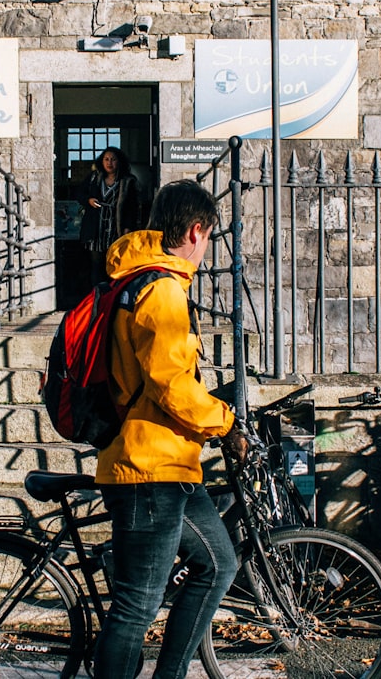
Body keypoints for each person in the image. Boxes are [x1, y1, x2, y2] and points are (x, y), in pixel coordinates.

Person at [92, 179, 249, 679]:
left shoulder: (146, 281)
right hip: (149, 468)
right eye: (210, 237)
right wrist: (225, 422)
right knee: (137, 605)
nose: (207, 249)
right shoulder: (160, 290)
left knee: (218, 565)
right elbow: (171, 385)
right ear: (197, 231)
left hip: (171, 464)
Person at [79, 146, 144, 283]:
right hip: (96, 231)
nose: (109, 163)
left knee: (115, 265)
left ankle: (113, 294)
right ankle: (97, 293)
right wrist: (88, 200)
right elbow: (79, 194)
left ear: (119, 161)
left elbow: (133, 207)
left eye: (113, 159)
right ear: (102, 161)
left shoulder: (128, 181)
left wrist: (128, 227)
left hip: (116, 229)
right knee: (96, 266)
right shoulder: (94, 178)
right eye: (106, 159)